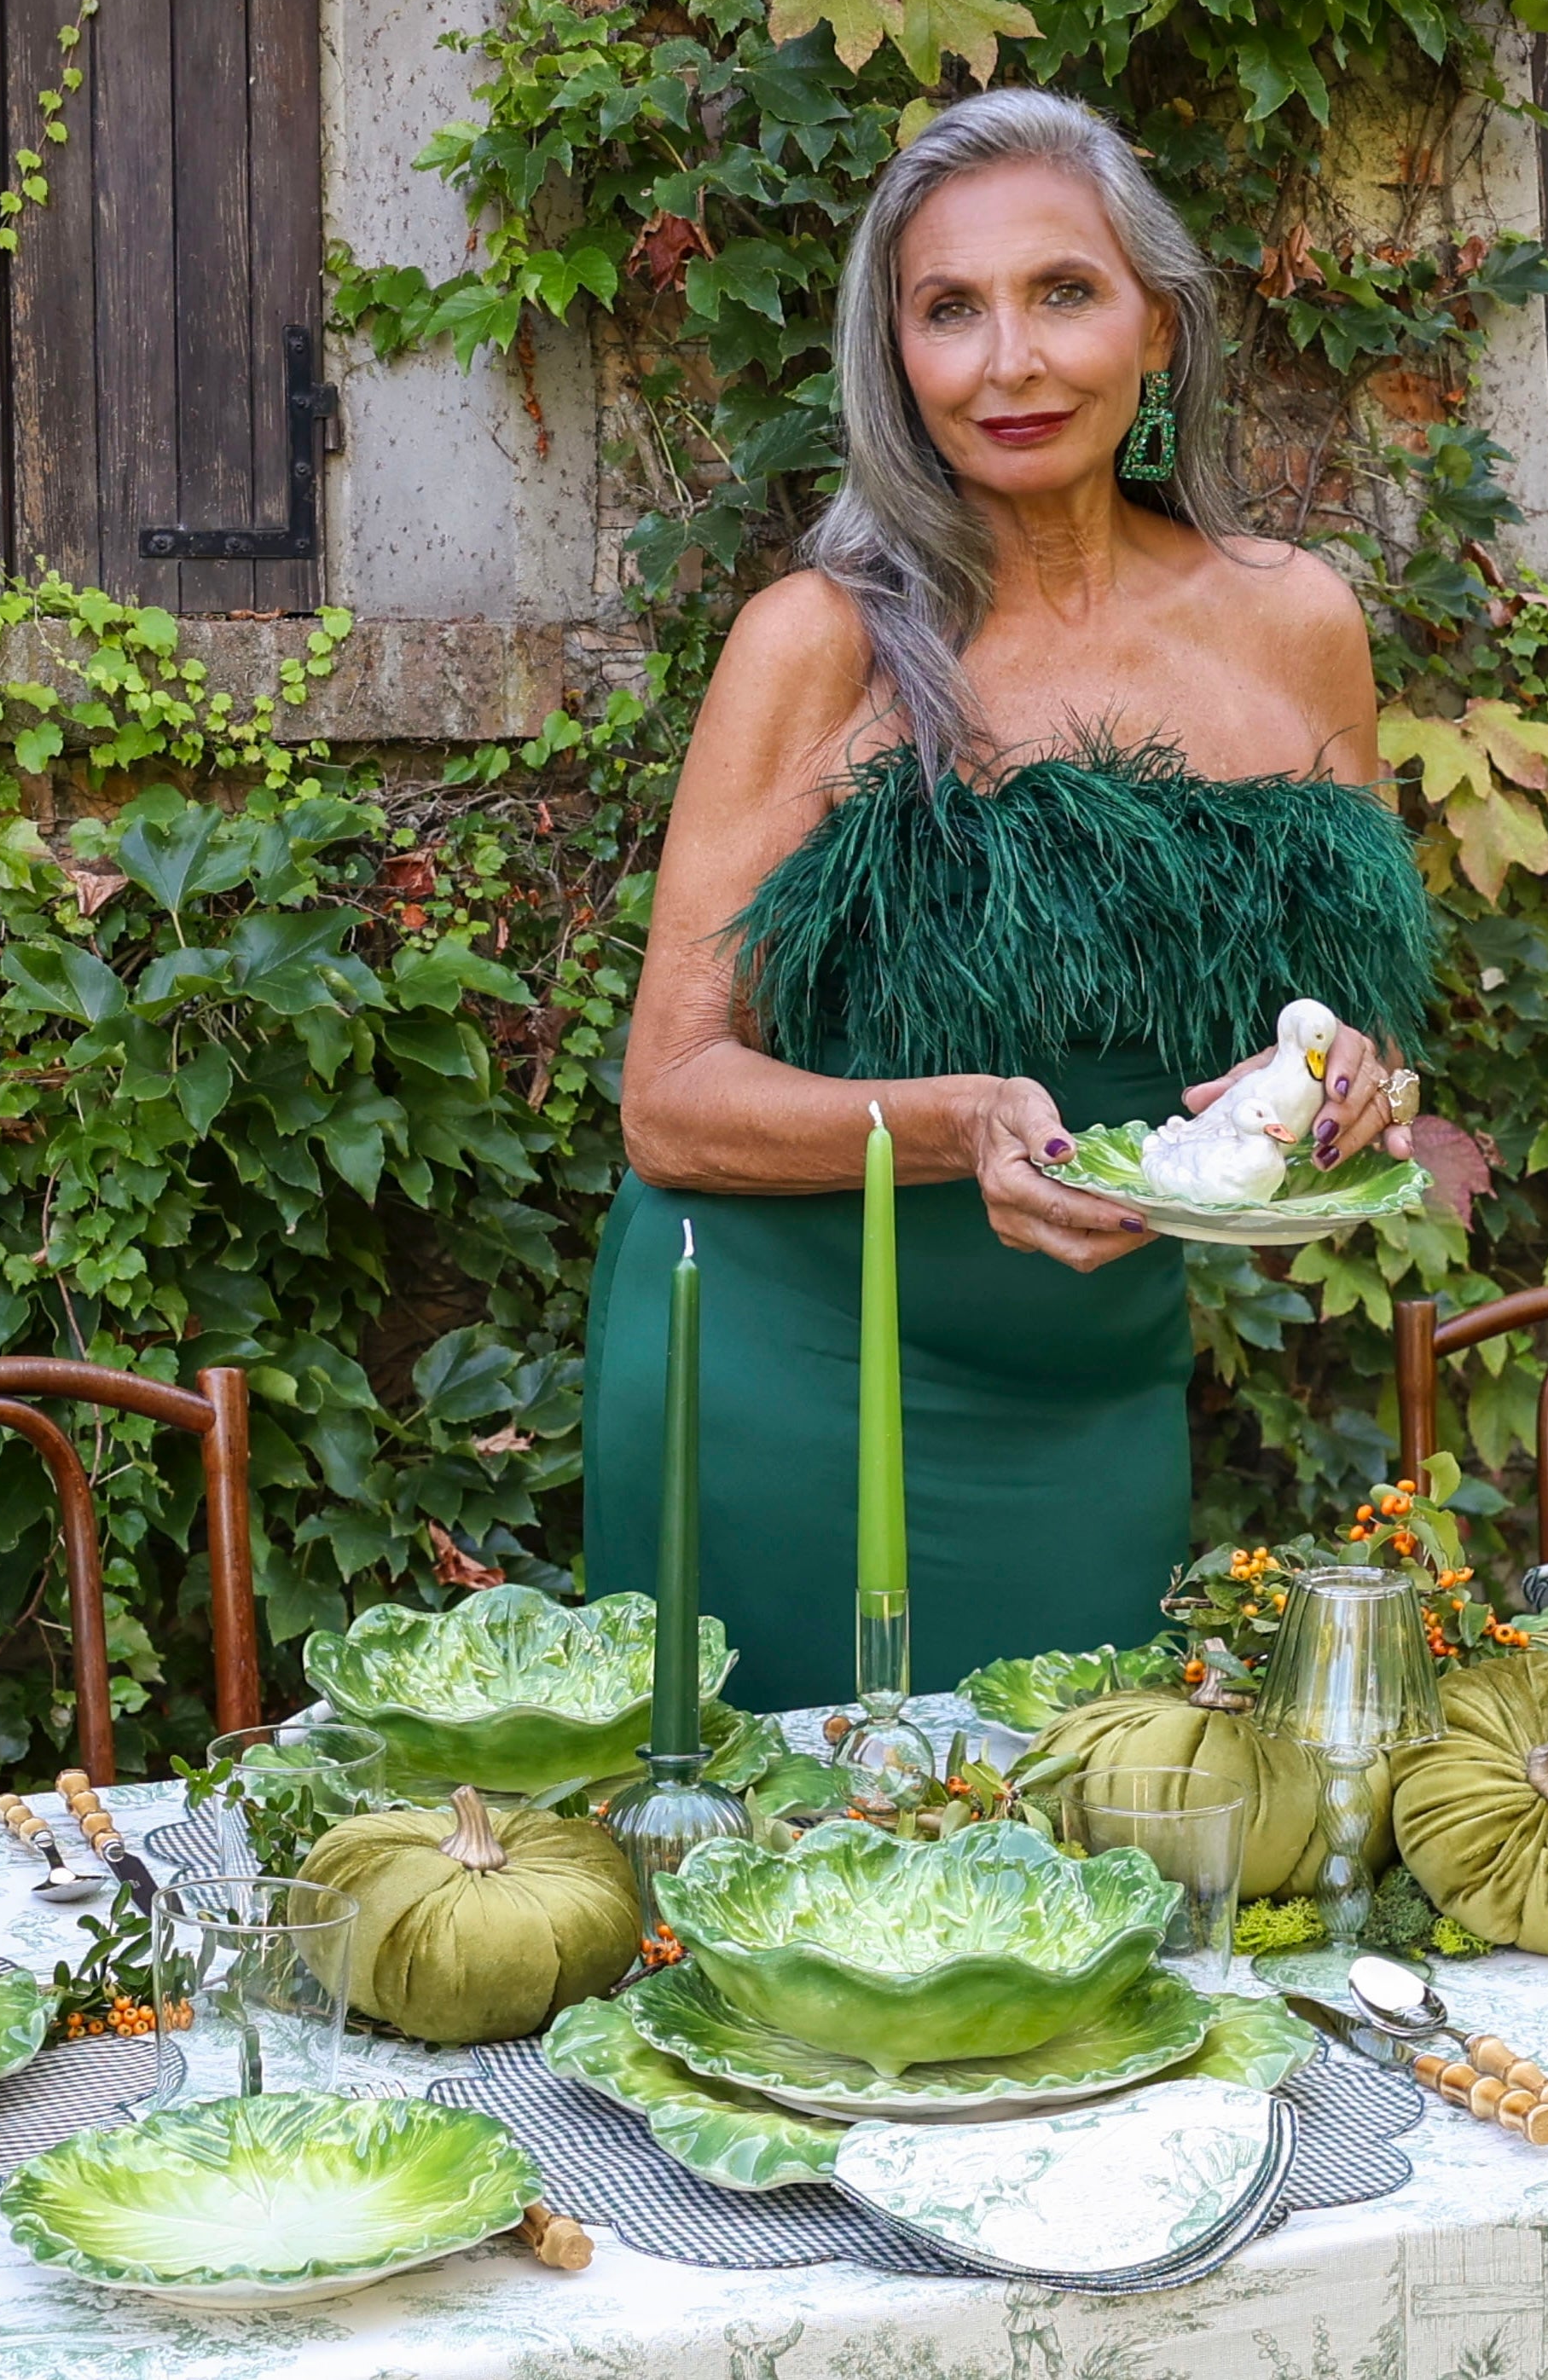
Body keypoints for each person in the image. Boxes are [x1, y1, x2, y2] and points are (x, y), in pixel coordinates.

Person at [583, 90, 1438, 1711]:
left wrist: (1345, 1094)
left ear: (1159, 327)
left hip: (1098, 1388)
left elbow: (1357, 1023)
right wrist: (960, 1115)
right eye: (947, 311)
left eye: (1061, 292)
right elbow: (668, 1102)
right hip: (786, 1381)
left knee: (1088, 1857)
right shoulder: (814, 641)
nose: (1008, 363)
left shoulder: (1296, 624)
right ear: (893, 357)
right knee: (797, 1901)